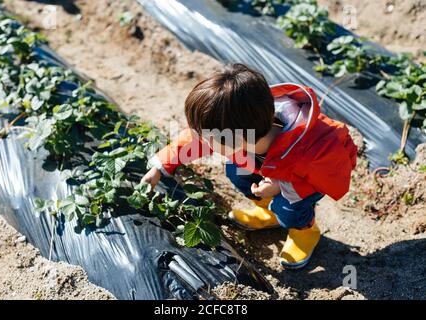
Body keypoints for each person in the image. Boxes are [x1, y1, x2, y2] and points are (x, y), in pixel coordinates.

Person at [141, 63, 357, 269]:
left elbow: (324, 179)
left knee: (288, 209)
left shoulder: (307, 152)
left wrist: (278, 186)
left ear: (237, 141)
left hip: (305, 182)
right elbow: (192, 140)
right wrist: (160, 167)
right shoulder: (245, 125)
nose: (202, 143)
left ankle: (305, 232)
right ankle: (267, 213)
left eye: (208, 140)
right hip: (268, 168)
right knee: (236, 171)